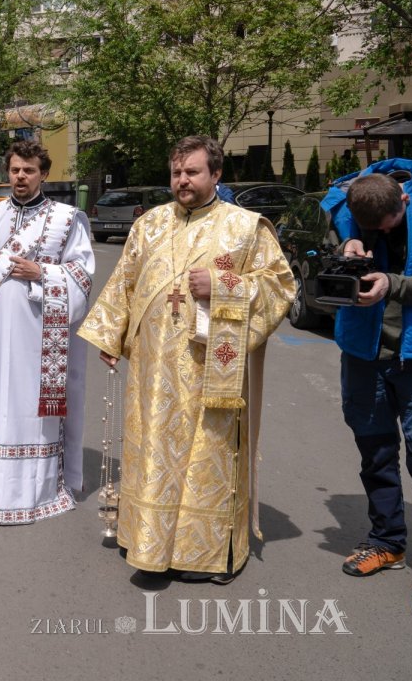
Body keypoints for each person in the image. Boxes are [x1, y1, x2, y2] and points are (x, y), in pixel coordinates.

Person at [77, 135, 294, 583]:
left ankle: (210, 555)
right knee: (153, 452)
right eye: (176, 172)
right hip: (153, 371)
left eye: (192, 172)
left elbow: (280, 287)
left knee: (207, 458)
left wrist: (223, 286)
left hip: (210, 372)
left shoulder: (246, 227)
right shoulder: (149, 224)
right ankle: (148, 542)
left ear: (216, 174)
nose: (182, 180)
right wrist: (111, 335)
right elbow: (126, 281)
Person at [0, 141, 94, 523]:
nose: (20, 177)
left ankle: (37, 492)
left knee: (31, 407)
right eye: (15, 170)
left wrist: (41, 272)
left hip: (40, 335)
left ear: (43, 174)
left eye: (29, 170)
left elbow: (82, 276)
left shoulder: (67, 218)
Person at [321, 162, 412, 615]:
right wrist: (346, 242)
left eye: (388, 226)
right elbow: (329, 212)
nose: (382, 234)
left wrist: (391, 284)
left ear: (405, 201)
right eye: (371, 229)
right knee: (375, 453)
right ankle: (387, 542)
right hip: (364, 353)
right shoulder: (347, 204)